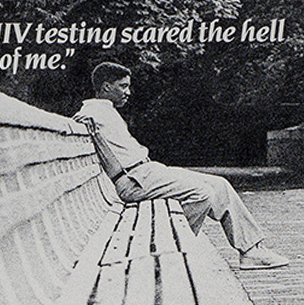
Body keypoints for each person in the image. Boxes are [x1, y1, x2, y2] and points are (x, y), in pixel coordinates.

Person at [75, 61, 289, 270]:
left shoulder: (106, 110)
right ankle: (172, 252)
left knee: (220, 185)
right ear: (106, 86)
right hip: (133, 180)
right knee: (201, 194)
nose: (128, 92)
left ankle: (251, 250)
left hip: (147, 172)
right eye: (123, 86)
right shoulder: (92, 112)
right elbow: (77, 121)